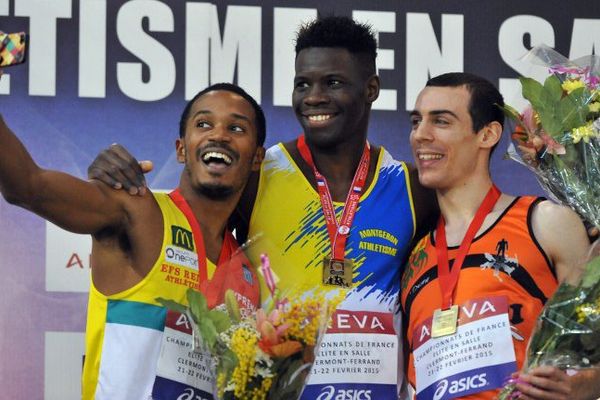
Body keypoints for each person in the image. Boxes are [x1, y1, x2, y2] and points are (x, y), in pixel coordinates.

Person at [87, 16, 436, 399]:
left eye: (332, 83)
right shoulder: (257, 176)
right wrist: (110, 175)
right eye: (302, 84)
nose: (314, 96)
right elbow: (184, 231)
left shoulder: (413, 189)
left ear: (371, 89)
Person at [0, 82, 266, 399]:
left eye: (236, 127)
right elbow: (28, 187)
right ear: (182, 149)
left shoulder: (248, 273)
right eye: (203, 124)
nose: (219, 134)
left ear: (256, 158)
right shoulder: (136, 211)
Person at [400, 72, 600, 399]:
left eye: (441, 122)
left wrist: (578, 387)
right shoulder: (415, 257)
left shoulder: (545, 223)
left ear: (488, 134)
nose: (420, 135)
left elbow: (592, 346)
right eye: (416, 121)